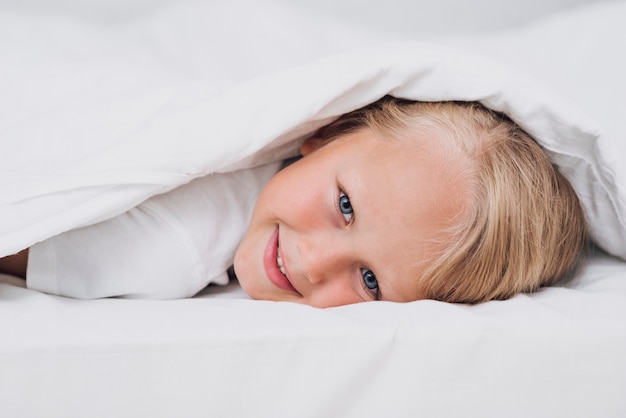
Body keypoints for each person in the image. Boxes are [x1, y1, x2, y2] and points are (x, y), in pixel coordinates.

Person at [0, 97, 588, 307]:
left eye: (370, 281)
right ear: (328, 131)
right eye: (346, 208)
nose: (312, 262)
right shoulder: (168, 246)